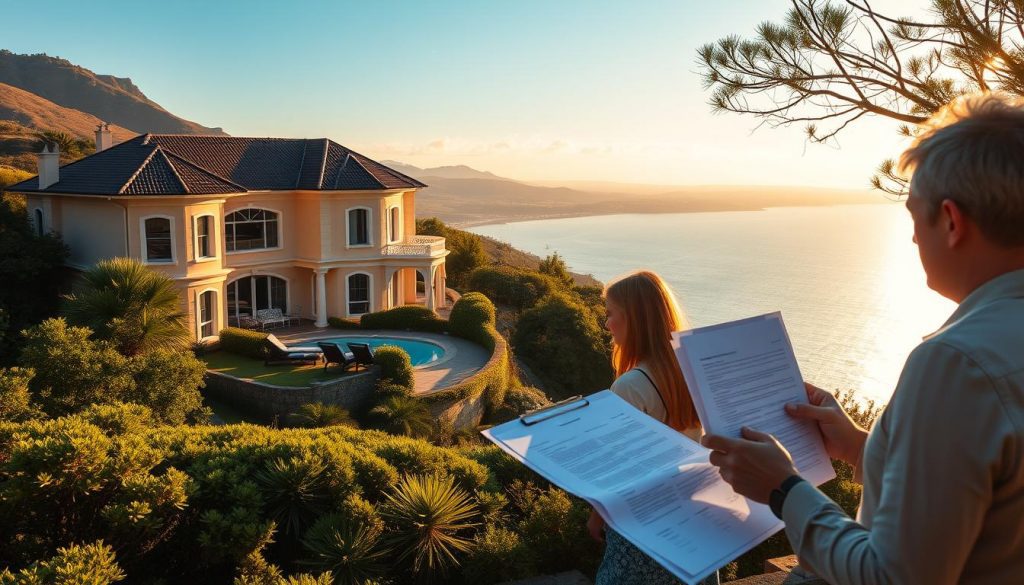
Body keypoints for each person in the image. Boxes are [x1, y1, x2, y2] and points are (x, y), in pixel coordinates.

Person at [702, 92, 1024, 584]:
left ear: (952, 221)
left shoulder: (956, 363)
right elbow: (989, 491)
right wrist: (857, 445)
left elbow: (892, 576)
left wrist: (783, 488)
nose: (914, 237)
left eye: (915, 215)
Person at [590, 270, 718, 585]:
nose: (607, 324)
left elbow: (620, 471)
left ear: (635, 319)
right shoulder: (693, 369)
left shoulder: (632, 386)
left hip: (646, 530)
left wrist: (596, 513)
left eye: (611, 314)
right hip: (698, 524)